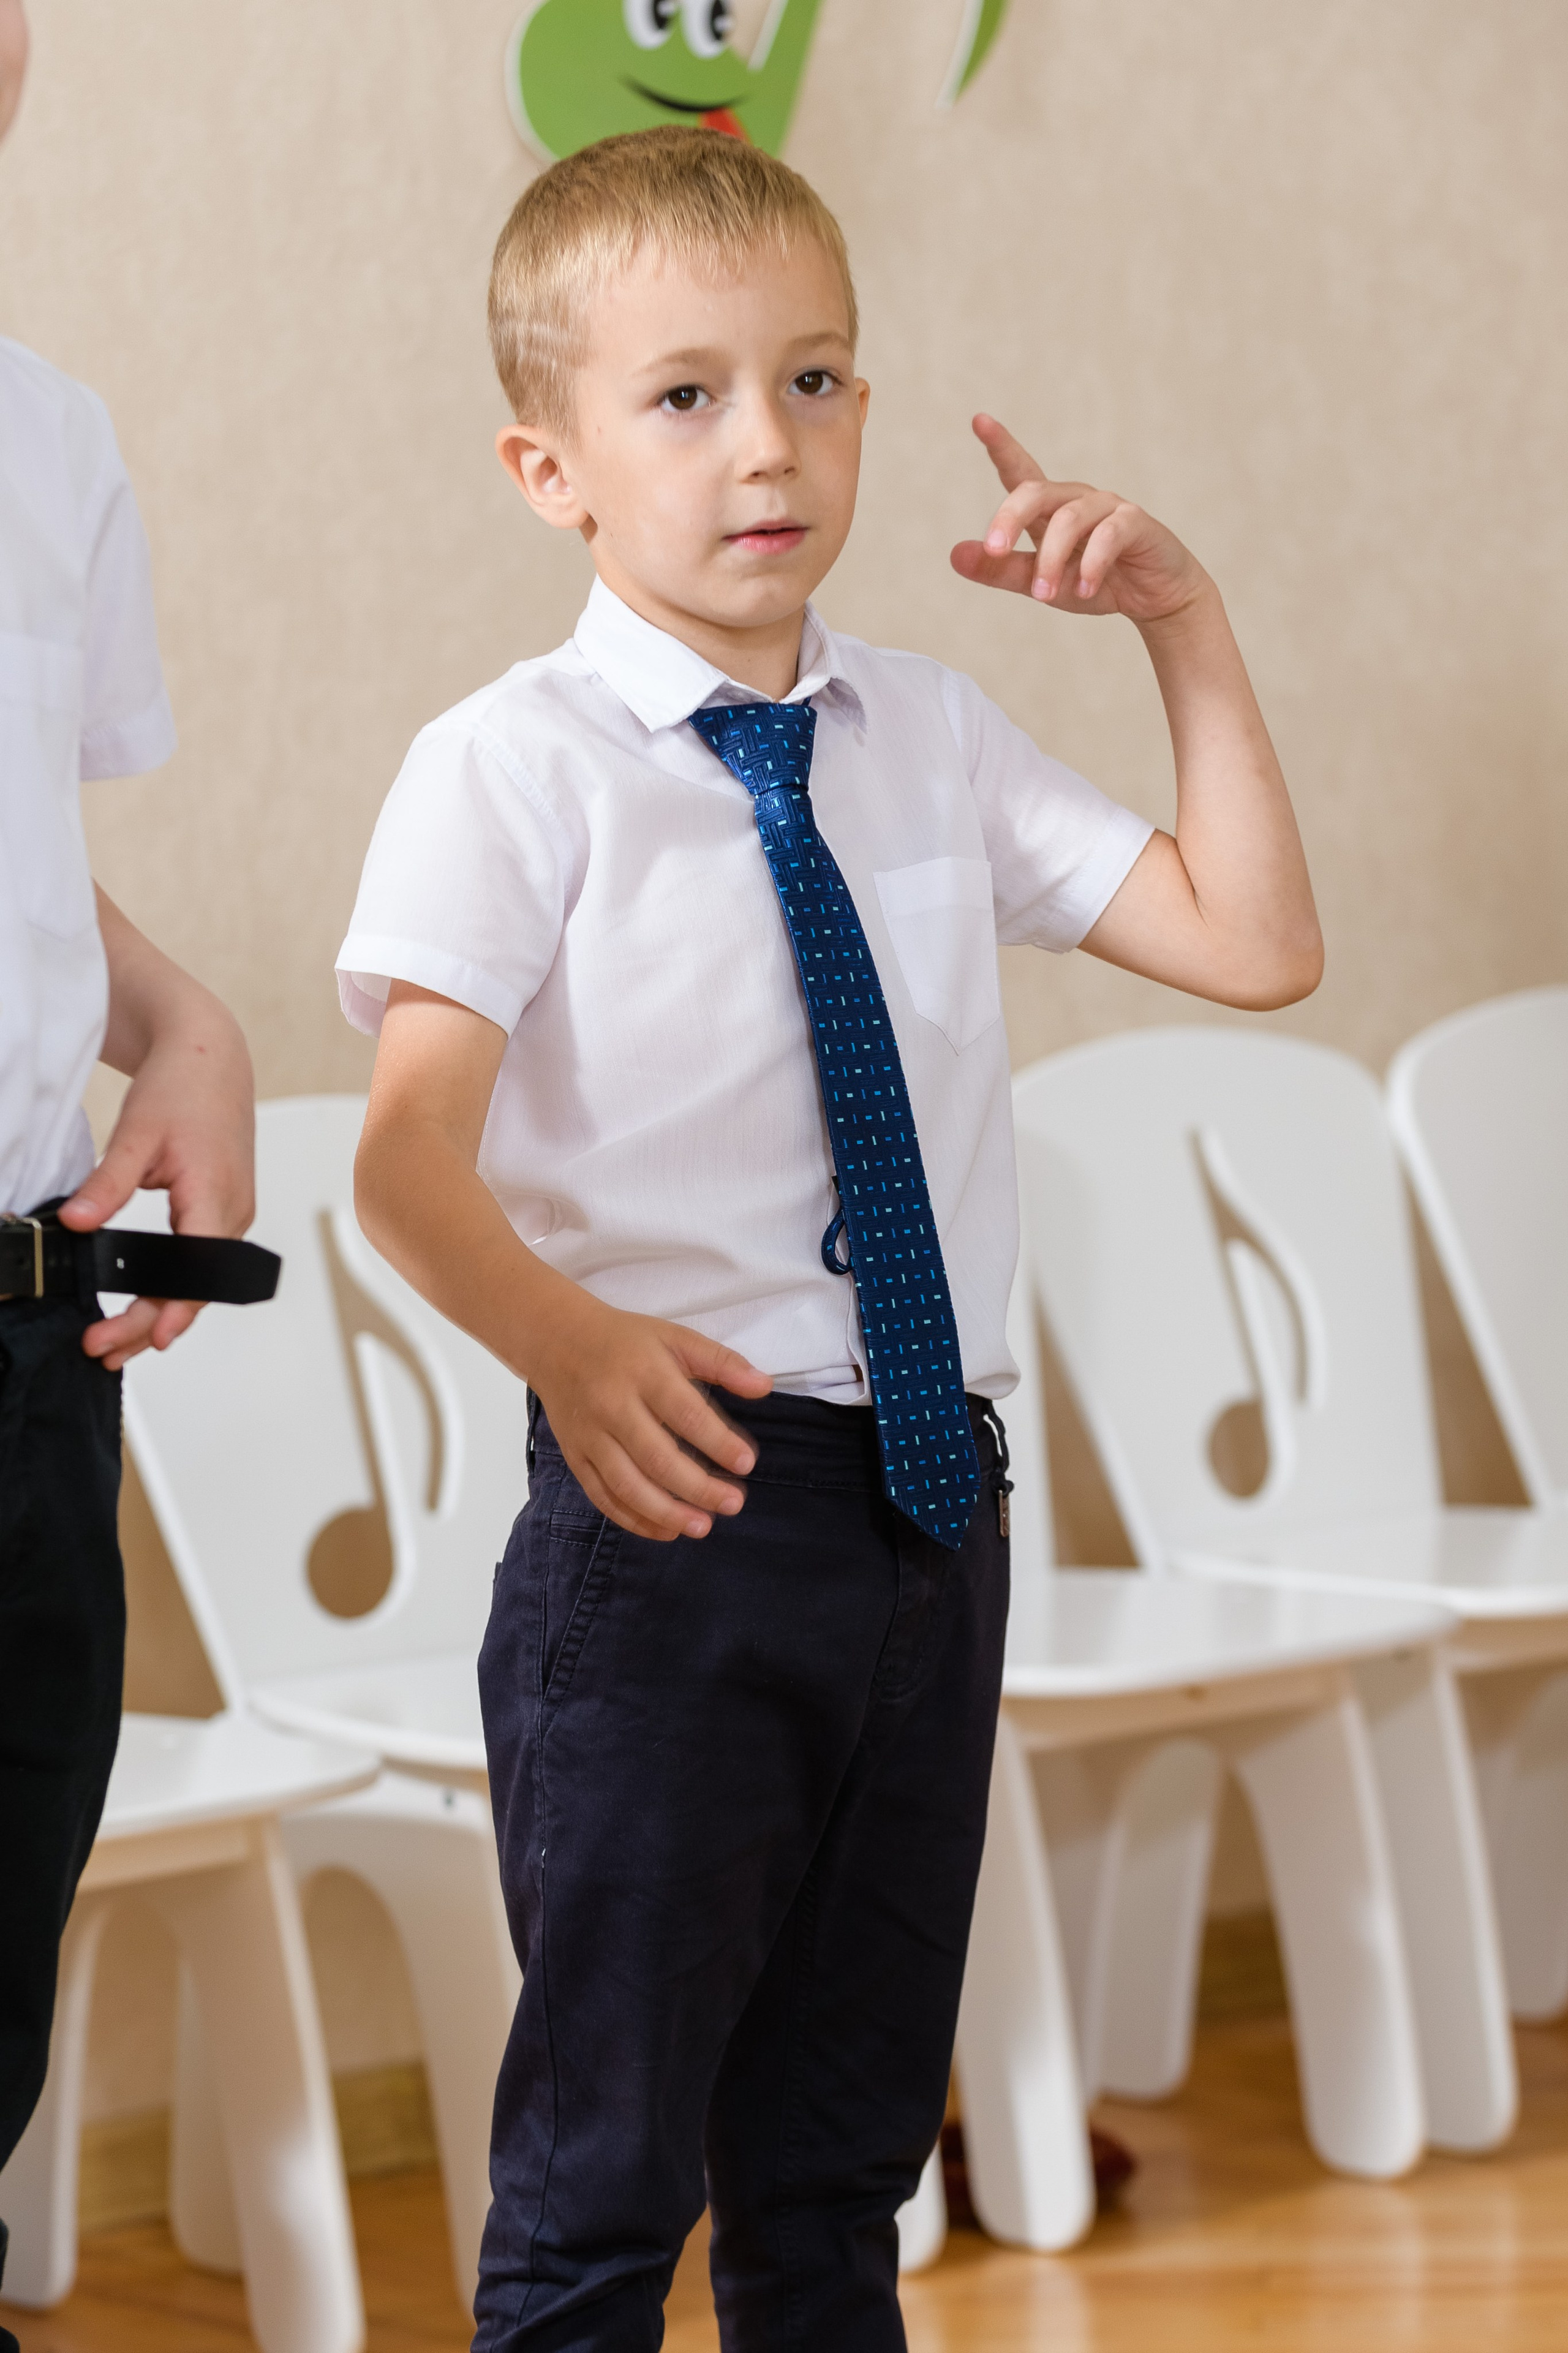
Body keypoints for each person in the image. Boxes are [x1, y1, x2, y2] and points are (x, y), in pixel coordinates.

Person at [339, 127, 1321, 2352]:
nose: (765, 443)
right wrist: (570, 1345)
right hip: (670, 1501)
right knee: (606, 2185)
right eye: (682, 396)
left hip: (928, 1499)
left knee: (842, 2164)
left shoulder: (931, 735)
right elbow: (407, 1159)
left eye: (817, 378)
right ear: (548, 466)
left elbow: (1258, 941)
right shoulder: (512, 768)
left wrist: (1184, 618)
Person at [0, 4, 255, 2330]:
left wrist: (177, 1014)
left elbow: (19, 852)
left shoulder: (49, 432)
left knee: (2, 1892)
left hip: (14, 1320)